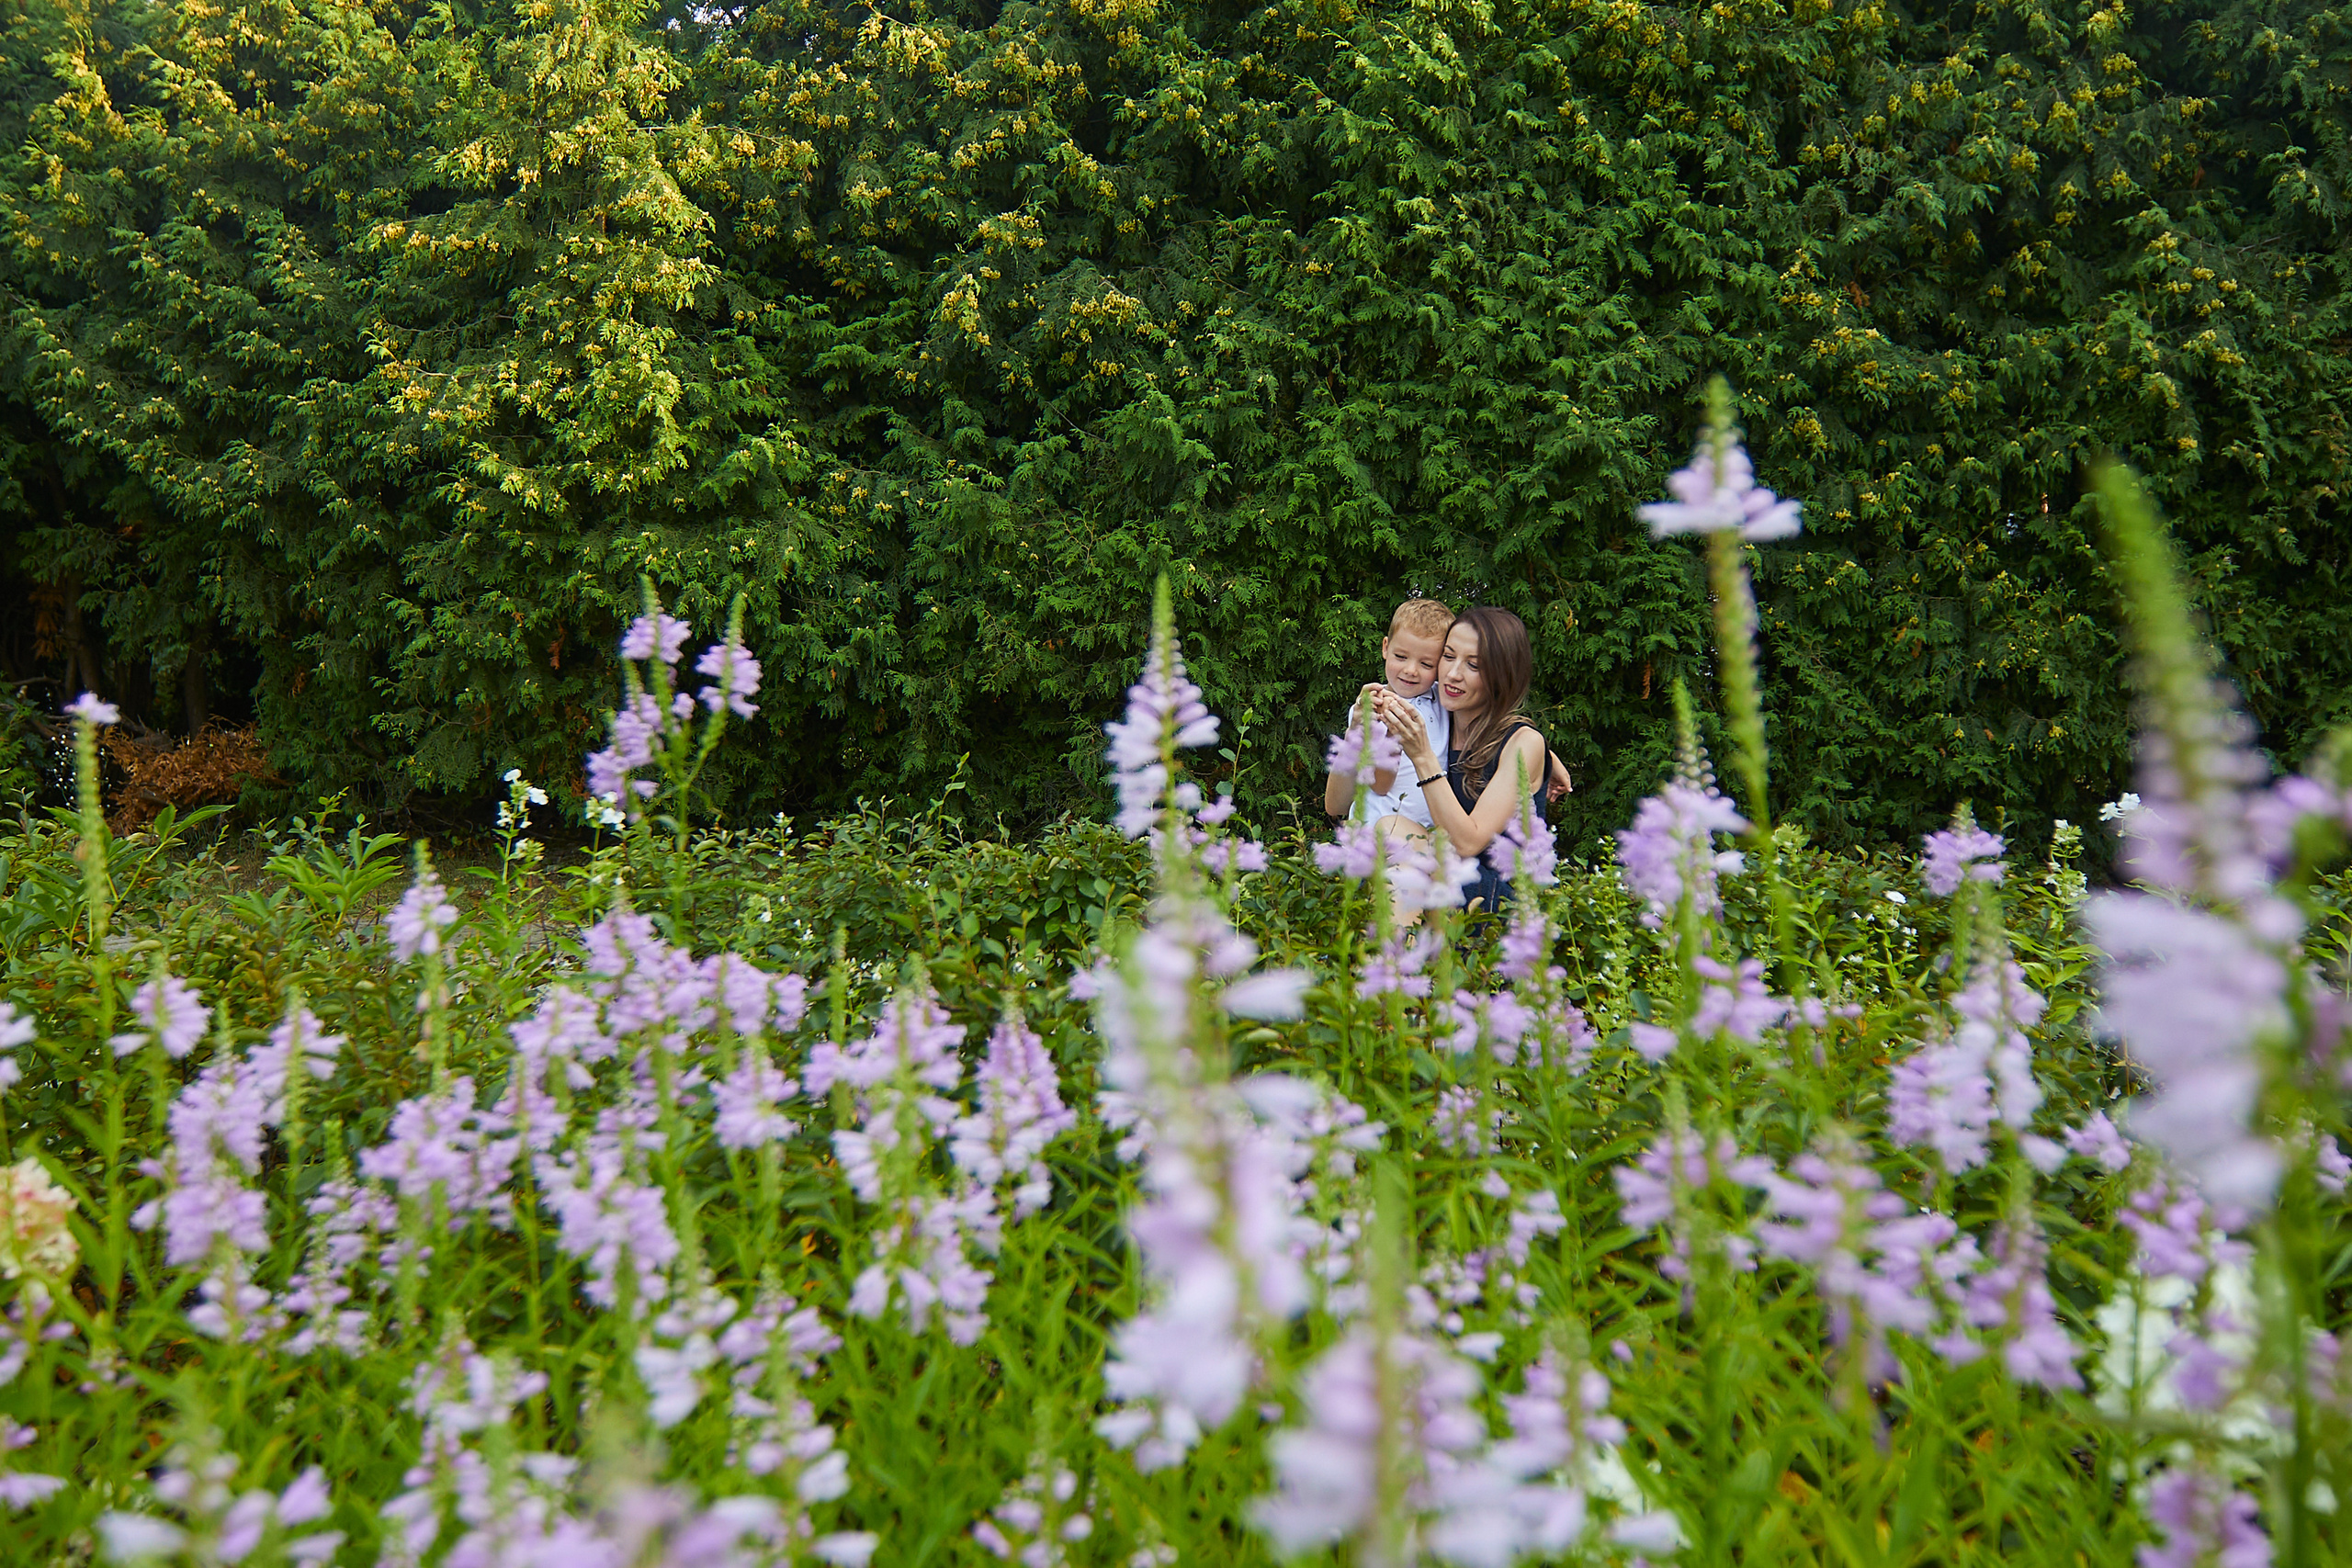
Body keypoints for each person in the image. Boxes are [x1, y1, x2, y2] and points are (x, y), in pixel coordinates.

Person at [1372, 605, 1554, 910]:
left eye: (1474, 665)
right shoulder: (1445, 721)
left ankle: (1399, 955)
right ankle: (1400, 956)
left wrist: (1422, 756)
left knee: (1393, 830)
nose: (1453, 674)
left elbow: (1467, 844)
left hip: (1496, 903)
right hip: (1440, 883)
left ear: (1502, 674)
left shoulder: (1523, 743)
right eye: (1448, 656)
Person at [1323, 598, 1454, 830]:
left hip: (1426, 835)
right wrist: (1391, 736)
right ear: (1386, 647)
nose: (1410, 670)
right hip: (1375, 832)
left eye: (1426, 663)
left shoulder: (1443, 701)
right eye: (1401, 657)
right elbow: (1380, 786)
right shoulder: (1371, 707)